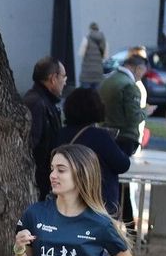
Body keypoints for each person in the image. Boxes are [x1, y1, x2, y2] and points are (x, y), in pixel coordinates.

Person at [60, 86, 130, 218]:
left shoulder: (60, 134)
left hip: (67, 202)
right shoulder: (100, 137)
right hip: (97, 203)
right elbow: (122, 164)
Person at [25, 57, 69, 200]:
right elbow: (32, 144)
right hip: (39, 180)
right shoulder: (36, 103)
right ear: (53, 78)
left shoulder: (47, 102)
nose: (65, 81)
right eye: (63, 76)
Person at [99, 50, 148, 157]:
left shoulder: (107, 80)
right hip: (124, 137)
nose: (142, 75)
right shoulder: (130, 86)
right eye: (143, 71)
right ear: (138, 68)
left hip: (104, 133)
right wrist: (146, 111)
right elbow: (134, 118)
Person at [77, 22, 107, 89]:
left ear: (90, 29)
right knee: (95, 97)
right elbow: (105, 56)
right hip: (98, 74)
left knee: (85, 96)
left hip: (87, 74)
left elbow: (81, 53)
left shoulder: (86, 39)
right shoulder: (103, 40)